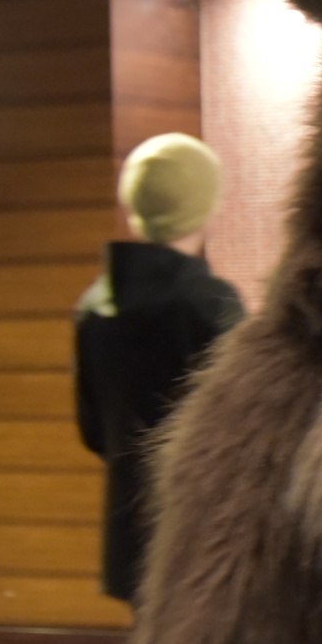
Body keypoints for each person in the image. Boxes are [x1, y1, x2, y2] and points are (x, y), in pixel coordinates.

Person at [74, 133, 243, 604]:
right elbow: (245, 431)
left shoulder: (94, 307)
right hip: (206, 531)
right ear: (207, 204)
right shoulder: (210, 305)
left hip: (132, 532)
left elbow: (93, 430)